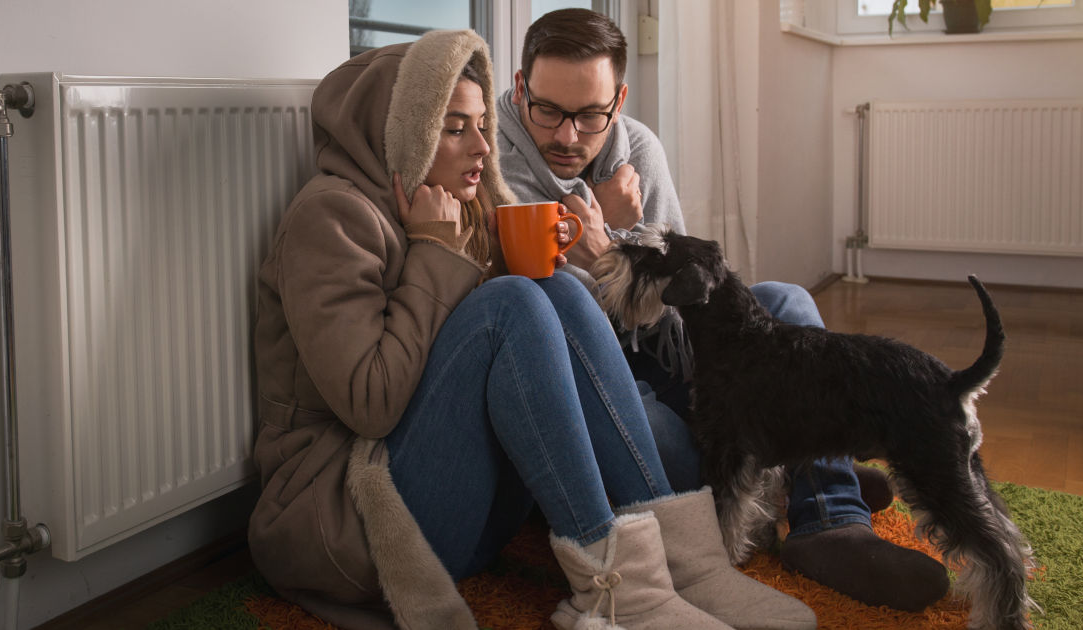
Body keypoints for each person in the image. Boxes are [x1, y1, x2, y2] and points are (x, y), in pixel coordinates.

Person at [247, 29, 817, 630]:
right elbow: (373, 404)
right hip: (352, 520)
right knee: (513, 300)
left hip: (459, 513)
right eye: (454, 128)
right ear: (399, 132)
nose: (482, 149)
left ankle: (686, 568)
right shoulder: (331, 217)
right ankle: (613, 587)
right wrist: (433, 252)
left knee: (560, 286)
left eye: (483, 125)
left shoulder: (461, 207)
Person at [496, 8, 951, 613]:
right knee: (675, 444)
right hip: (594, 385)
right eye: (548, 109)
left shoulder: (641, 153)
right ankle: (793, 471)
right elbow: (537, 328)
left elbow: (688, 318)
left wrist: (618, 247)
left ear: (619, 99)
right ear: (522, 86)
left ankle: (828, 519)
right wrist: (601, 238)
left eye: (590, 116)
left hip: (660, 351)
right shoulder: (493, 165)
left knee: (787, 302)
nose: (566, 137)